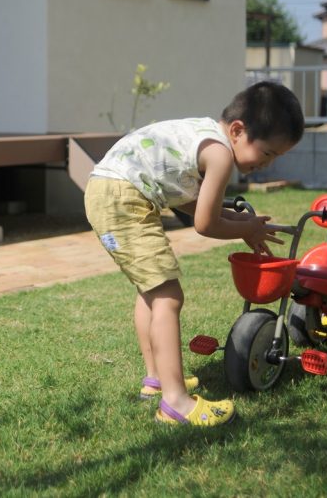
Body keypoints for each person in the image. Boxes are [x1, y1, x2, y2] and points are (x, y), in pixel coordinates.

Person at [84, 81, 304, 427]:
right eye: (267, 154)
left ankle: (157, 379)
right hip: (122, 196)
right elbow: (204, 223)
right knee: (169, 296)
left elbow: (189, 201)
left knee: (152, 290)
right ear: (238, 130)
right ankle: (176, 403)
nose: (268, 164)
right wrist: (246, 229)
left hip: (108, 190)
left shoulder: (202, 135)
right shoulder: (219, 155)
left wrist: (239, 220)